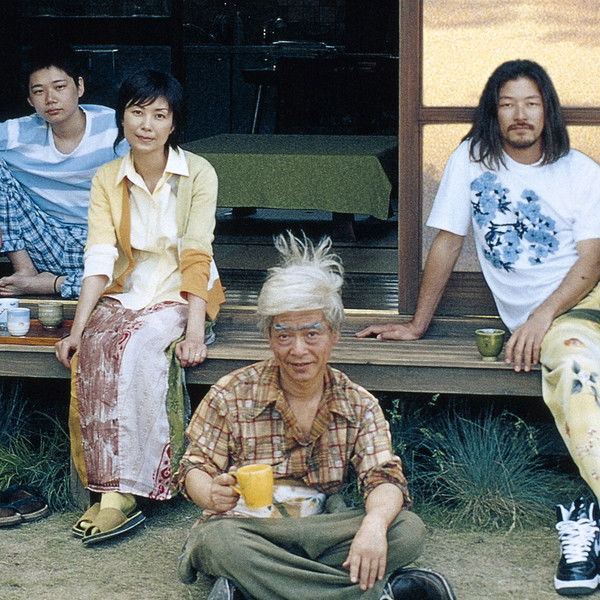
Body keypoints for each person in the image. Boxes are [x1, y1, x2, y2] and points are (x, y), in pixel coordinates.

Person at [357, 59, 600, 596]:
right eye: (508, 103)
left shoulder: (579, 170)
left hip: (580, 302)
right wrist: (417, 324)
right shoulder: (471, 160)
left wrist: (541, 315)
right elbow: (447, 241)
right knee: (576, 369)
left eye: (531, 103)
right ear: (494, 111)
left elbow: (591, 261)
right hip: (562, 323)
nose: (520, 114)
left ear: (548, 110)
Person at [176, 233, 456, 600]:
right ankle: (379, 591)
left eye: (312, 333)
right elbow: (194, 467)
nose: (298, 349)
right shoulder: (232, 393)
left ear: (334, 334)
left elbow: (384, 477)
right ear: (268, 336)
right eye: (284, 335)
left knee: (406, 530)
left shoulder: (357, 403)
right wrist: (211, 494)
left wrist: (373, 525)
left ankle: (251, 588)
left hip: (323, 527)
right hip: (251, 529)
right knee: (218, 541)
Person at [55, 69, 226, 545]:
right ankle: (108, 488)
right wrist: (77, 329)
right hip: (127, 288)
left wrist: (195, 333)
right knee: (94, 349)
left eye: (159, 115)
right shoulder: (108, 177)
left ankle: (135, 487)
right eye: (137, 112)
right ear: (122, 117)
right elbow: (99, 257)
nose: (146, 124)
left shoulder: (198, 172)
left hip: (181, 291)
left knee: (136, 348)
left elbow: (198, 252)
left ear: (174, 123)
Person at [0, 44, 127, 298]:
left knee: (138, 278)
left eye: (59, 87)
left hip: (103, 245)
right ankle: (24, 271)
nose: (50, 99)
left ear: (79, 87)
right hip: (44, 240)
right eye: (39, 91)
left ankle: (51, 284)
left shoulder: (115, 128)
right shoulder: (17, 133)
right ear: (29, 100)